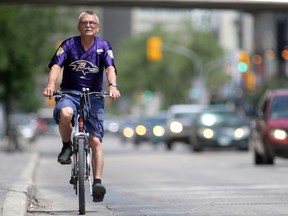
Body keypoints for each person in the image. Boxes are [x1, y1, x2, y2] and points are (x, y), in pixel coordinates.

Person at [42, 10, 120, 202]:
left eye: (92, 23)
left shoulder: (103, 46)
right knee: (66, 114)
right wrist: (51, 85)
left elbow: (110, 68)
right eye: (84, 22)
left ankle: (97, 183)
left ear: (97, 27)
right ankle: (67, 146)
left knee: (95, 141)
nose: (88, 25)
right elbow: (56, 67)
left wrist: (112, 86)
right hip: (70, 93)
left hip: (94, 96)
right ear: (79, 27)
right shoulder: (68, 44)